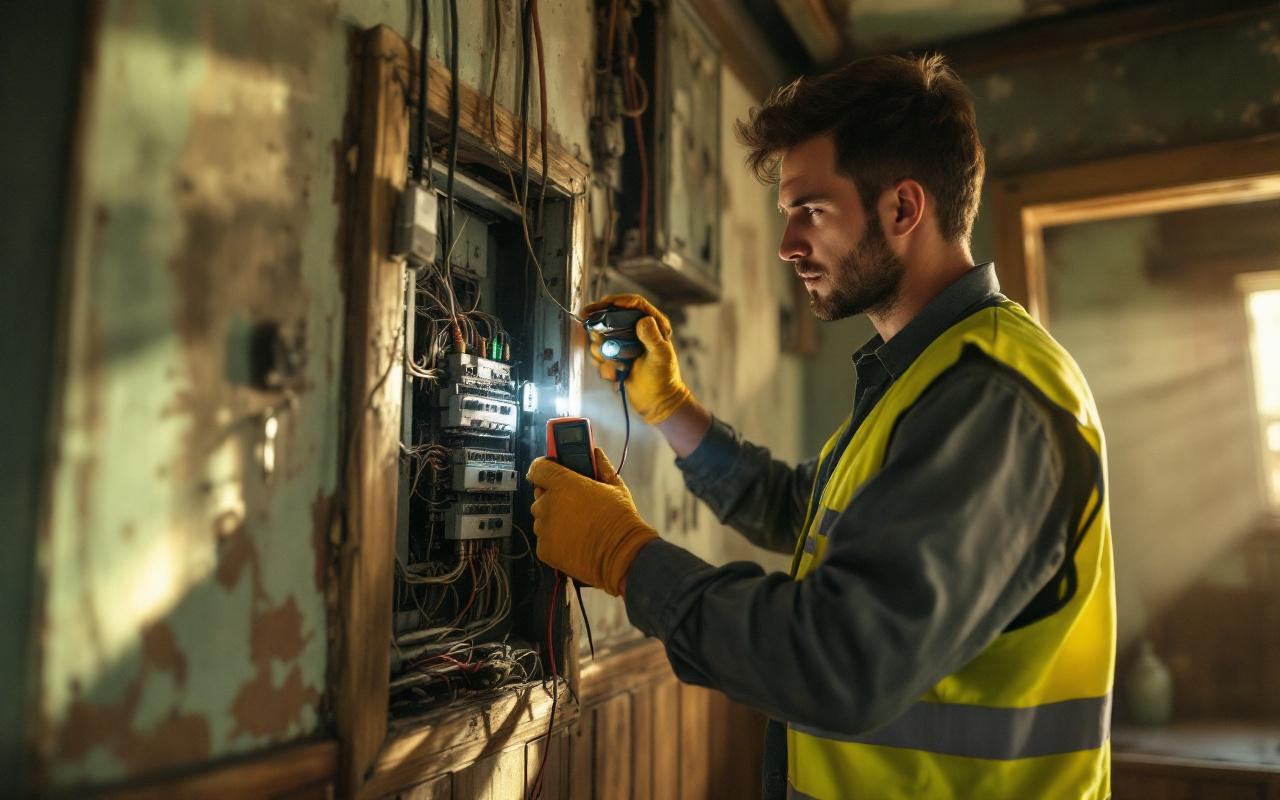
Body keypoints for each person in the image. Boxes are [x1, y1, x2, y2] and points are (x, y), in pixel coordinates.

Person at [527, 53, 1114, 800]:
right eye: (786, 215)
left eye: (811, 210)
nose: (787, 247)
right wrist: (669, 408)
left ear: (903, 209)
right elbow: (798, 508)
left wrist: (624, 555)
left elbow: (834, 662)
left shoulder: (992, 399)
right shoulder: (929, 374)